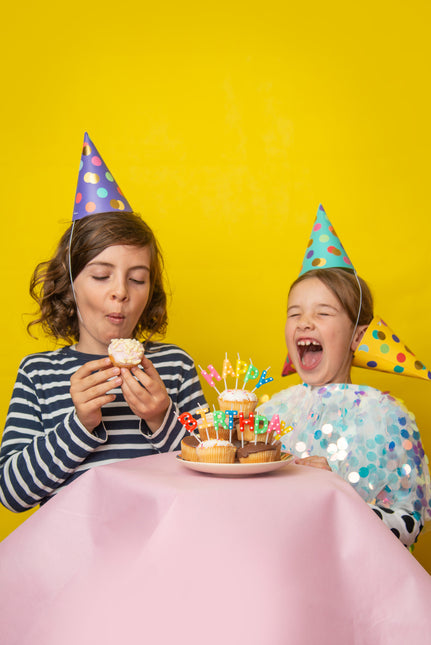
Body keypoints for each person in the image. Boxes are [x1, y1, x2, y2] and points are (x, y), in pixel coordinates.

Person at [0, 134, 205, 512]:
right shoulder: (38, 374)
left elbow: (211, 474)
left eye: (137, 278)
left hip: (161, 554)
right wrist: (78, 423)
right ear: (70, 282)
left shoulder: (174, 367)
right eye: (100, 275)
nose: (120, 292)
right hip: (72, 561)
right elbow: (12, 494)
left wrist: (162, 419)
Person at [258, 208, 431, 548]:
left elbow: (410, 525)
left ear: (357, 336)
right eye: (295, 313)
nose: (305, 322)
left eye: (323, 313)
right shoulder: (269, 415)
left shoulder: (386, 415)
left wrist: (338, 494)